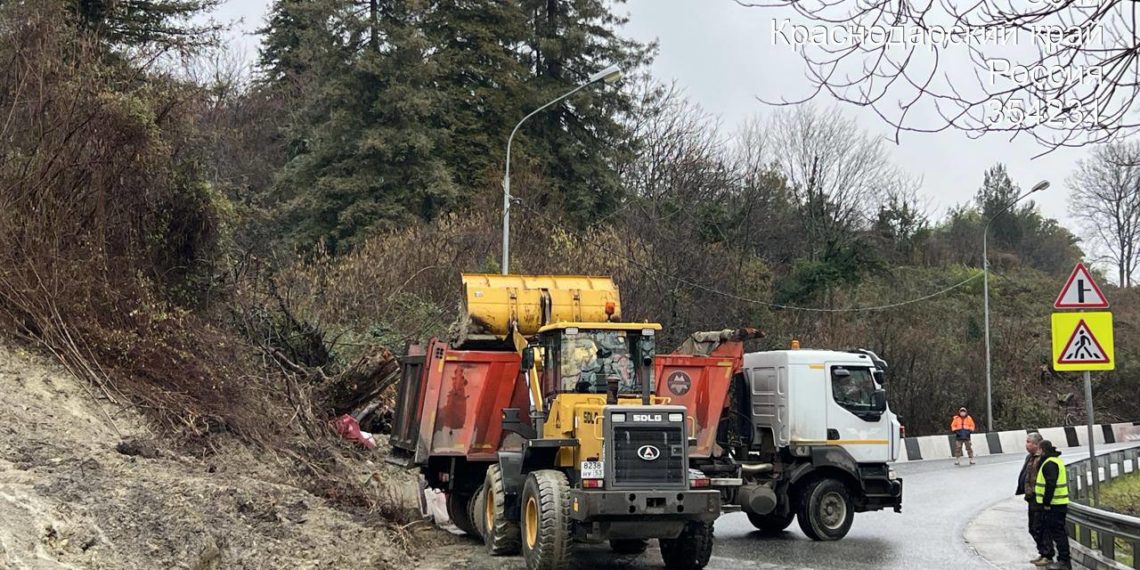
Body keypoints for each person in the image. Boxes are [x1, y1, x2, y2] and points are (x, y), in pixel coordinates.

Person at [1016, 432, 1050, 566]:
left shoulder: (1043, 458)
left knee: (1040, 527)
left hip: (1040, 498)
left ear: (1037, 444)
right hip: (1031, 497)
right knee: (1033, 527)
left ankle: (1047, 554)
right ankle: (1042, 552)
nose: (1026, 444)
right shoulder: (1029, 457)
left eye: (1029, 442)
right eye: (1026, 441)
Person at [1035, 440, 1070, 570]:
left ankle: (1064, 561)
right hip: (1058, 503)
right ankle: (1063, 560)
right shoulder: (1055, 460)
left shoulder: (1049, 463)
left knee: (1058, 533)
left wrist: (1046, 502)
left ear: (1042, 449)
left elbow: (1051, 484)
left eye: (1039, 449)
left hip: (1055, 504)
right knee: (1057, 532)